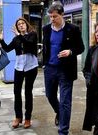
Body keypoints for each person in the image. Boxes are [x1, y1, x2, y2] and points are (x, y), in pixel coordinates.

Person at [42, 3, 84, 135]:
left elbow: (81, 48)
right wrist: (44, 63)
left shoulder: (73, 29)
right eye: (50, 17)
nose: (52, 19)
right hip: (49, 68)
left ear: (62, 15)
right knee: (50, 95)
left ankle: (63, 130)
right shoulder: (46, 29)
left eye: (55, 16)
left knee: (65, 101)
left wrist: (70, 52)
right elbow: (46, 47)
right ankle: (59, 113)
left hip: (65, 70)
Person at [0, 17, 38, 129]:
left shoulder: (32, 34)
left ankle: (28, 118)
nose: (20, 25)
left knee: (28, 92)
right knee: (16, 92)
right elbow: (7, 49)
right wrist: (1, 40)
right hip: (19, 67)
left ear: (26, 25)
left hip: (31, 67)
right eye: (18, 24)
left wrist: (19, 35)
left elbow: (29, 44)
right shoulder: (16, 39)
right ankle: (18, 117)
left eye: (22, 23)